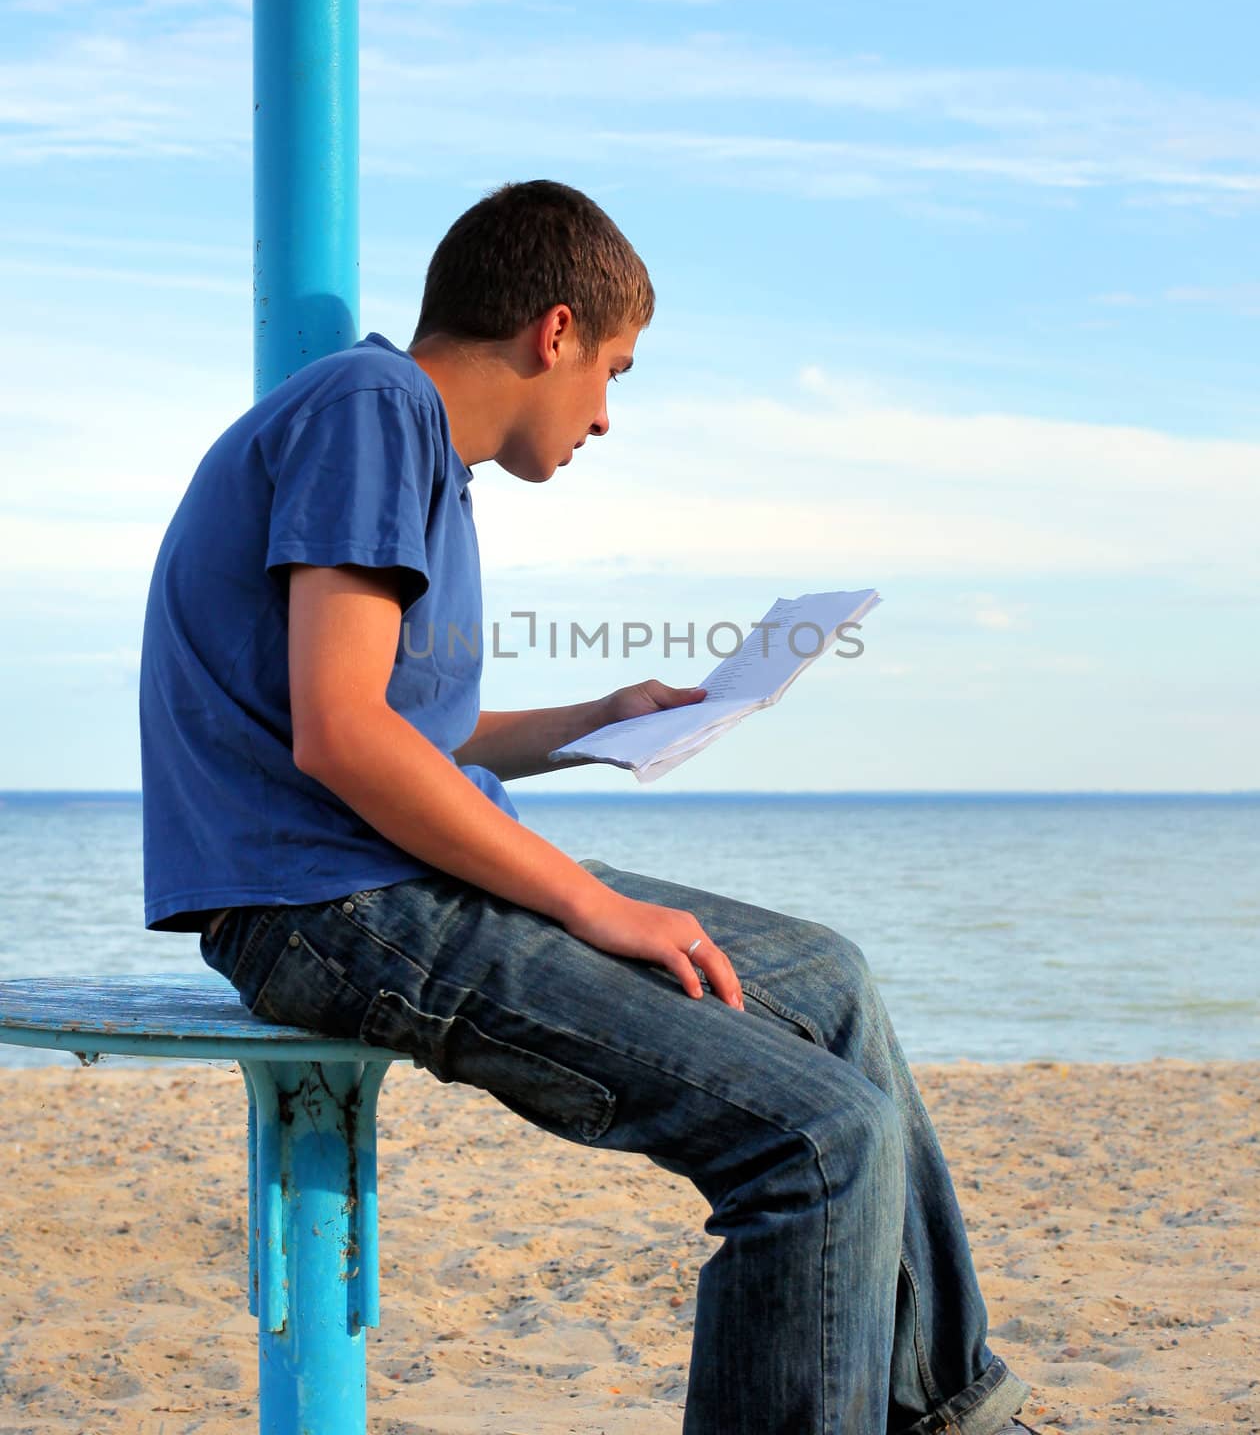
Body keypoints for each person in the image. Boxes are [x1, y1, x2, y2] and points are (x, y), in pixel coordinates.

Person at [140, 179, 1039, 1435]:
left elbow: (407, 732)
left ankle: (945, 1410)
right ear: (552, 332)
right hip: (323, 901)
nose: (607, 416)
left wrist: (594, 718)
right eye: (615, 369)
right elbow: (342, 735)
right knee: (817, 1142)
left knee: (829, 976)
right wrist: (595, 904)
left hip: (368, 875)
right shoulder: (373, 410)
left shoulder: (409, 445)